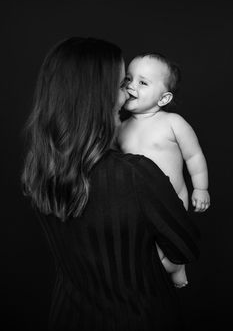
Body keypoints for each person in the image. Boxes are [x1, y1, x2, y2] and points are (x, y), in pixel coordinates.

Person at [21, 38, 200, 331]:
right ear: (97, 97)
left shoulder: (38, 168)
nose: (127, 95)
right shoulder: (135, 175)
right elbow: (185, 247)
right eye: (121, 84)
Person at [117, 53, 209, 289]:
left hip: (171, 200)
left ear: (164, 98)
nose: (131, 86)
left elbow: (194, 155)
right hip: (137, 202)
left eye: (143, 82)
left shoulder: (172, 122)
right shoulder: (121, 128)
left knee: (166, 244)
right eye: (128, 79)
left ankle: (177, 266)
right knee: (141, 246)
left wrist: (201, 187)